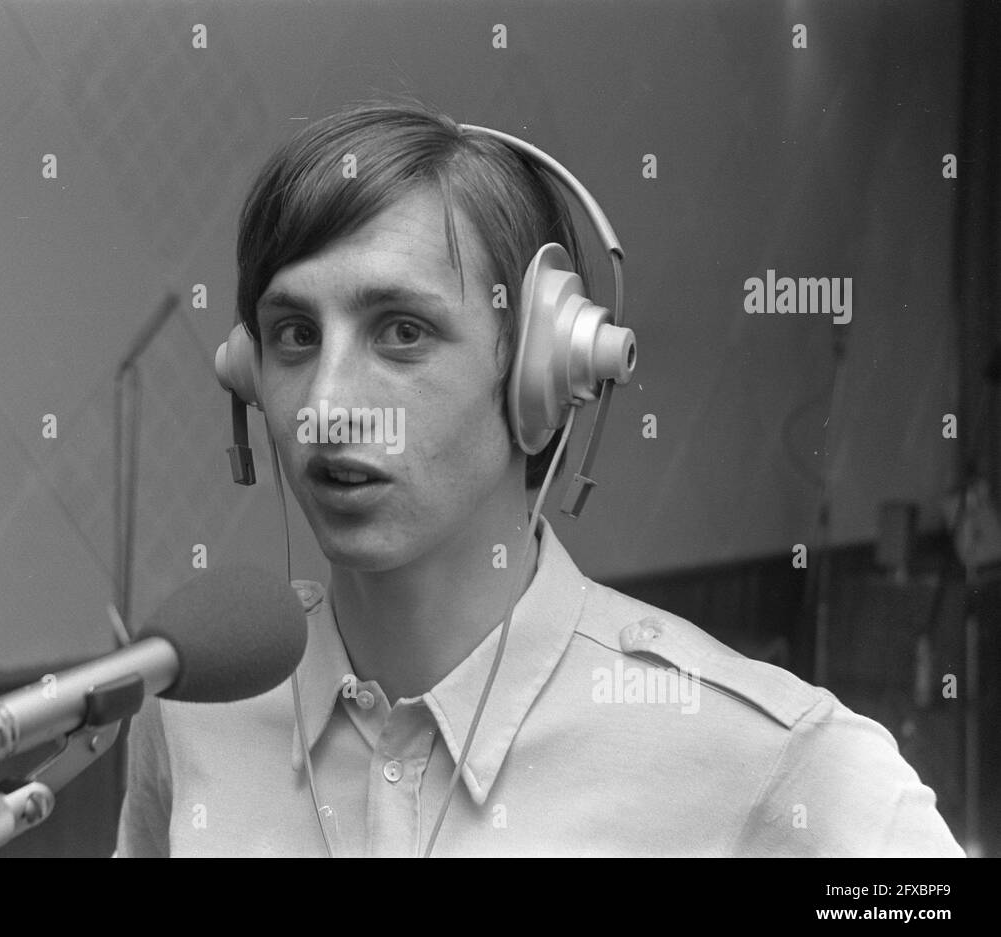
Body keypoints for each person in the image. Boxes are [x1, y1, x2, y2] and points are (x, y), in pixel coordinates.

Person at [114, 97, 964, 857]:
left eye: (402, 332)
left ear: (546, 375)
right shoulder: (192, 714)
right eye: (294, 335)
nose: (328, 407)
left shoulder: (781, 763)